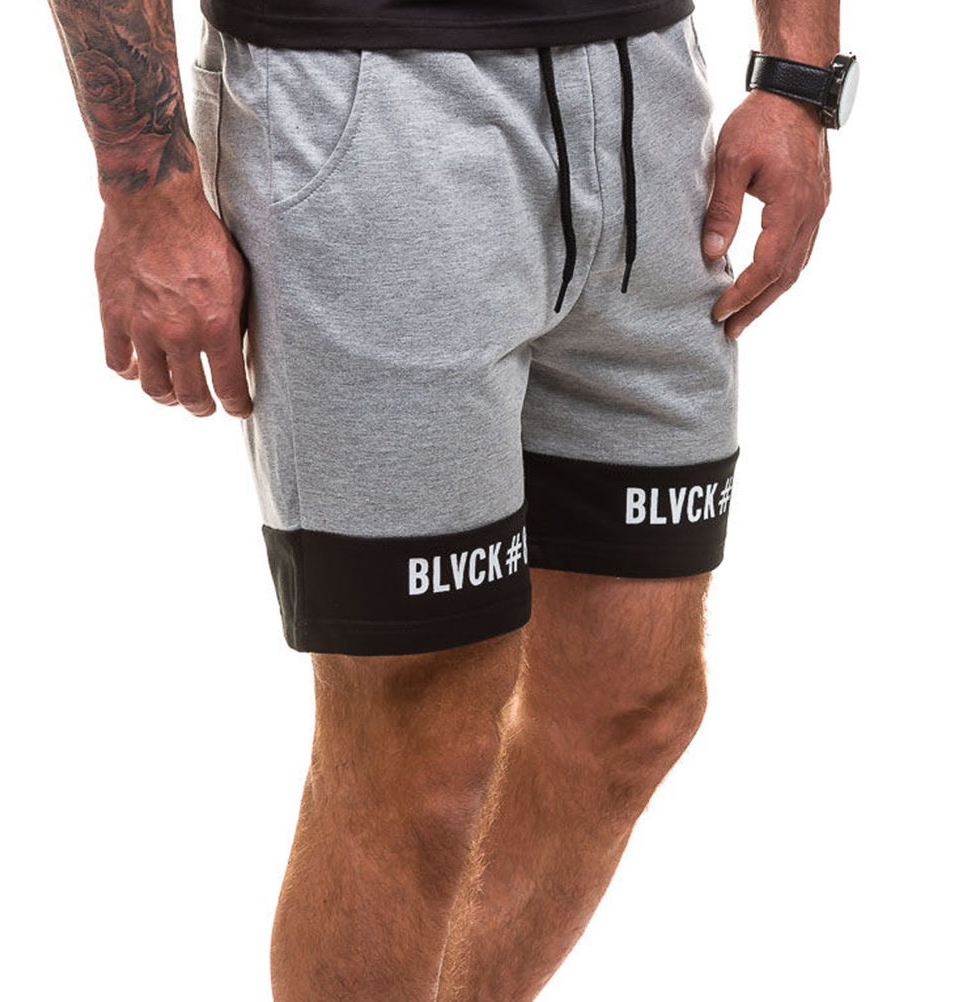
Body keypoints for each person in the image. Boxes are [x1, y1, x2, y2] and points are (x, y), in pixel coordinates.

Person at [46, 0, 848, 998]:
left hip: (651, 107)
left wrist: (799, 77)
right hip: (365, 103)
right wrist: (147, 184)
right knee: (420, 749)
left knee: (636, 703)